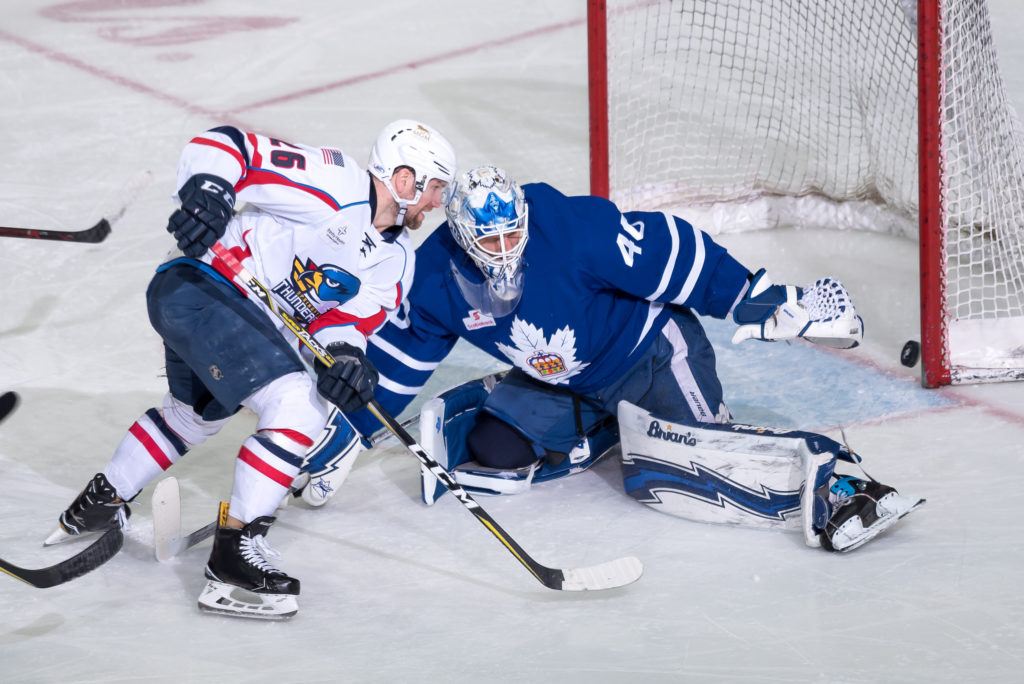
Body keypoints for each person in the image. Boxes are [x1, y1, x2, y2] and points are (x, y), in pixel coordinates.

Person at [316, 164, 922, 554]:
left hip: (651, 353)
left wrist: (762, 301)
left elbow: (674, 253)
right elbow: (396, 362)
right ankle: (605, 425)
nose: (503, 251)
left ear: (524, 220)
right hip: (563, 381)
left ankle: (843, 484)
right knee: (492, 454)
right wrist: (341, 440)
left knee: (702, 463)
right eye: (488, 241)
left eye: (511, 236)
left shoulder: (572, 230)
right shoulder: (435, 278)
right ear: (460, 236)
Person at [47, 120, 457, 619]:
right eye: (434, 187)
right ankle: (234, 554)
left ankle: (100, 500)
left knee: (194, 416)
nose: (436, 202)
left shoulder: (397, 261)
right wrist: (209, 192)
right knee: (299, 407)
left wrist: (346, 359)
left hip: (224, 321)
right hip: (203, 287)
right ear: (404, 177)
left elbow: (344, 323)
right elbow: (228, 145)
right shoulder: (336, 182)